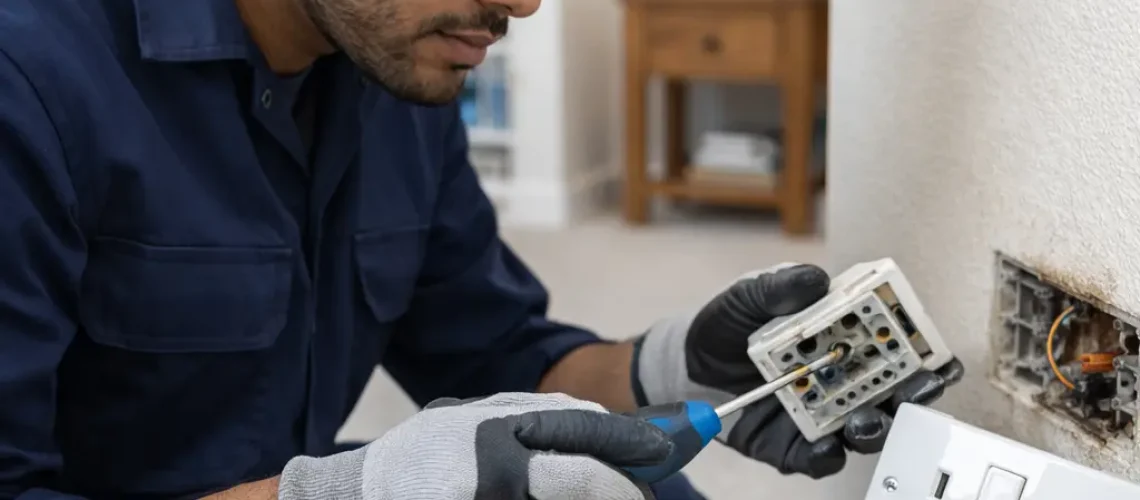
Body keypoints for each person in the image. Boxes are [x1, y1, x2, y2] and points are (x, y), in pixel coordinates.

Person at [0, 0, 965, 498]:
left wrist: (682, 368)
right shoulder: (29, 75)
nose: (525, 3)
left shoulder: (391, 74)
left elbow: (498, 353)